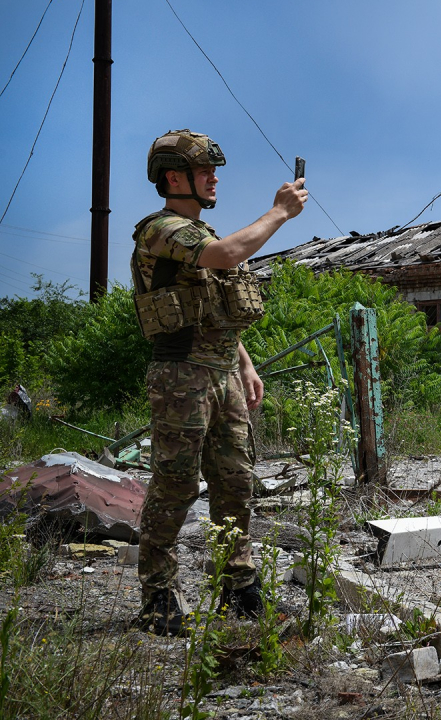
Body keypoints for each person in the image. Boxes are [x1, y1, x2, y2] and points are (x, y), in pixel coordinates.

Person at [132, 129, 307, 635]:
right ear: (173, 178)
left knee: (235, 481)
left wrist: (244, 363)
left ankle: (237, 585)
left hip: (223, 370)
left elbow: (216, 307)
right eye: (204, 170)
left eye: (213, 171)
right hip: (180, 372)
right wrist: (278, 213)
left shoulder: (203, 237)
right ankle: (159, 593)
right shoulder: (162, 231)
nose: (213, 179)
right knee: (177, 482)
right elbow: (230, 255)